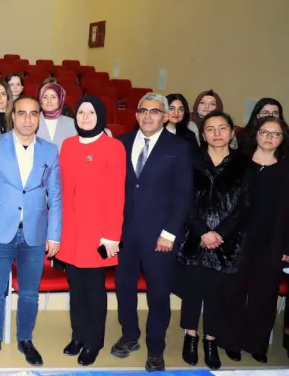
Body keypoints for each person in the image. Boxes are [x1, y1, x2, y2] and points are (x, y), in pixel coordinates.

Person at [0, 95, 62, 367]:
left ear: (39, 118)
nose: (27, 119)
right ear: (12, 116)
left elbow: (55, 196)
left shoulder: (50, 151)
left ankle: (25, 339)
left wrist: (54, 234)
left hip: (34, 233)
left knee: (29, 292)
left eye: (33, 113)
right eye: (22, 113)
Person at [111, 93, 193, 372]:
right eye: (143, 111)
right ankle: (130, 335)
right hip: (124, 233)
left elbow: (183, 193)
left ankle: (156, 348)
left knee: (158, 293)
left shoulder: (179, 147)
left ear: (166, 116)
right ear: (136, 115)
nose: (148, 116)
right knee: (124, 287)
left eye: (155, 111)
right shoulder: (121, 143)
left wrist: (170, 232)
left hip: (160, 235)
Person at [176, 110, 249, 371]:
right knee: (193, 291)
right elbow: (182, 198)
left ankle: (211, 341)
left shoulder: (244, 163)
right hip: (194, 237)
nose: (216, 134)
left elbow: (245, 205)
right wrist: (202, 231)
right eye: (210, 129)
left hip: (226, 241)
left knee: (218, 293)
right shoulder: (191, 159)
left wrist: (220, 234)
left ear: (231, 132)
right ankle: (190, 336)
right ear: (203, 134)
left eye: (222, 128)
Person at [57, 96, 126, 366]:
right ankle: (78, 336)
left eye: (91, 112)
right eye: (81, 112)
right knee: (75, 289)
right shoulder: (68, 144)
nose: (85, 117)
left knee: (94, 290)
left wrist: (112, 236)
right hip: (70, 232)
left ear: (100, 115)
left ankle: (93, 342)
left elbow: (117, 195)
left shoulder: (113, 147)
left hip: (98, 234)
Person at [225, 116, 289, 364]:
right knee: (234, 290)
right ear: (256, 134)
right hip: (239, 239)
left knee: (265, 294)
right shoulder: (240, 164)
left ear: (282, 139)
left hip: (272, 242)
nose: (269, 137)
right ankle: (231, 342)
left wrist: (287, 246)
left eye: (276, 134)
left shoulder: (286, 170)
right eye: (265, 132)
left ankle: (257, 344)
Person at [37, 81, 76, 151]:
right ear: (40, 100)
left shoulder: (72, 123)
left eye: (53, 97)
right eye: (45, 97)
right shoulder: (32, 121)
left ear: (60, 99)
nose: (49, 101)